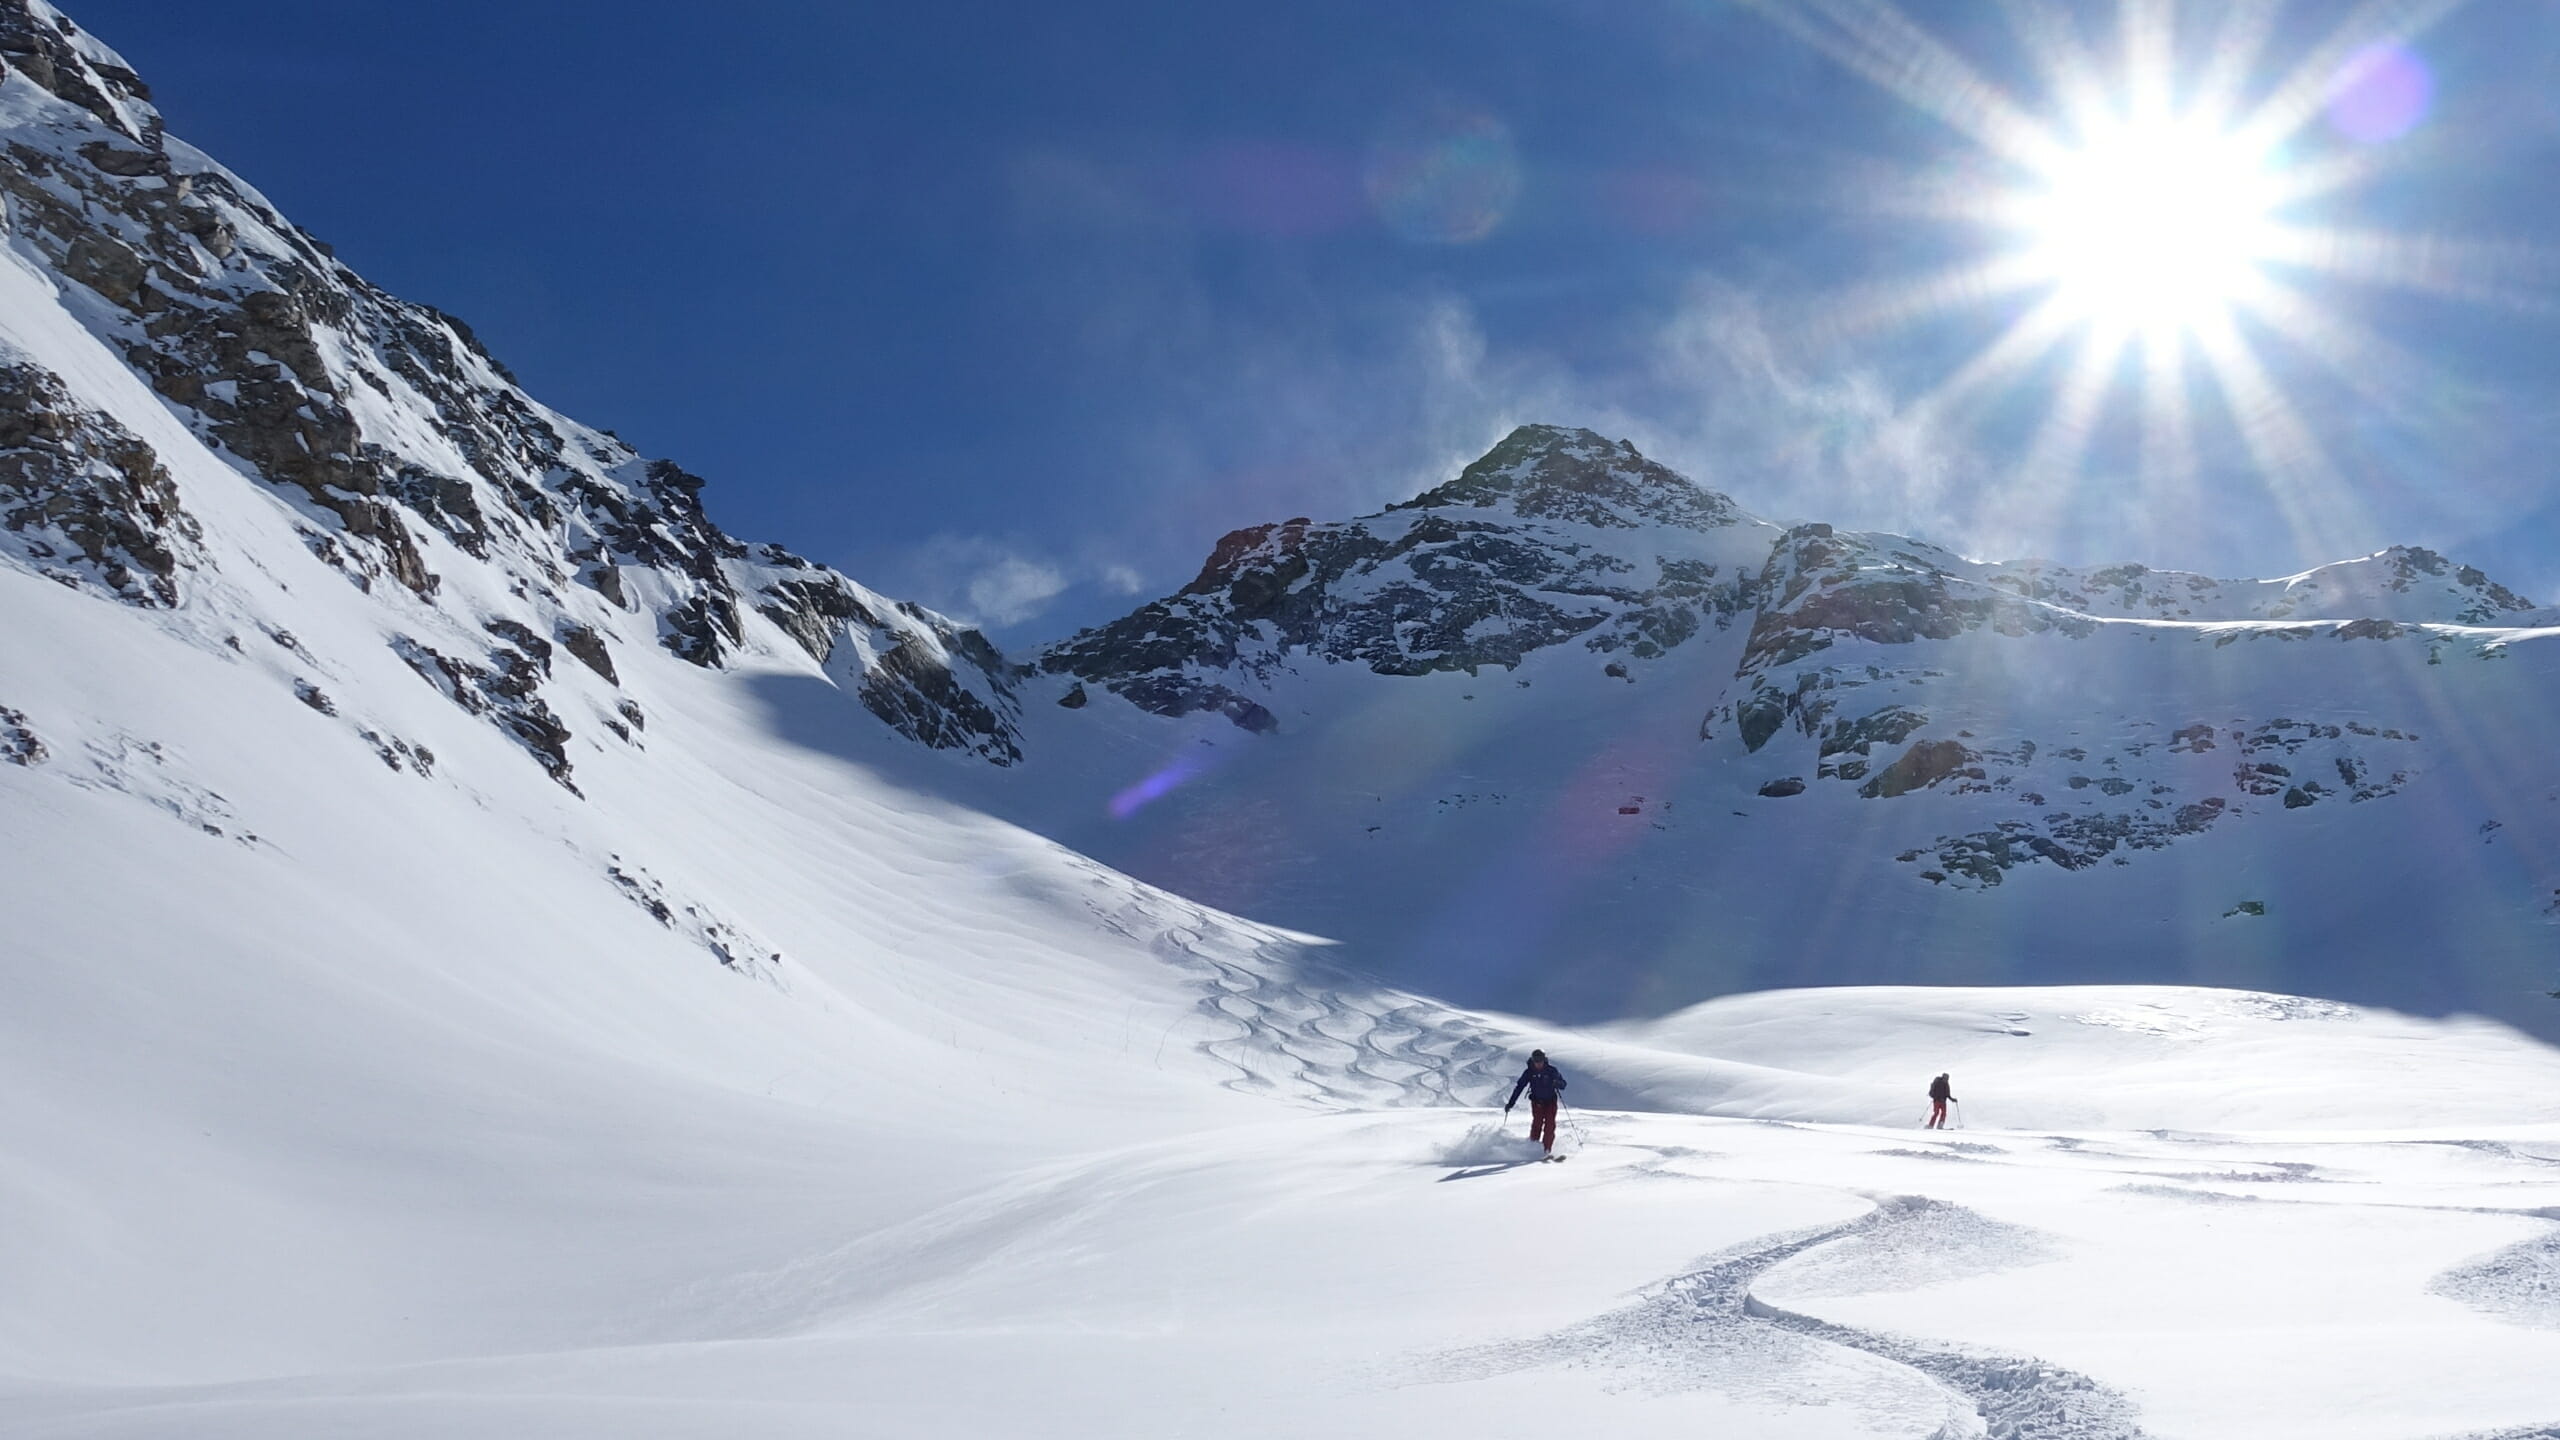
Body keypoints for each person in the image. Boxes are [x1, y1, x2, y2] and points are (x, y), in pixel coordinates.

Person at [1505, 1049, 1568, 1155]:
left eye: (1540, 1060)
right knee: (1537, 1125)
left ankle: (1546, 1150)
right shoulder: (1529, 1072)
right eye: (1536, 1060)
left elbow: (1564, 1085)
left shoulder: (1552, 1070)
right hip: (1537, 1103)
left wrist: (1557, 1083)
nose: (1538, 1063)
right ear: (1532, 1060)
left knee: (1550, 1126)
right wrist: (1511, 1103)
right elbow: (1519, 1087)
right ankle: (1533, 1149)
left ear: (1544, 1060)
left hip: (1550, 1102)